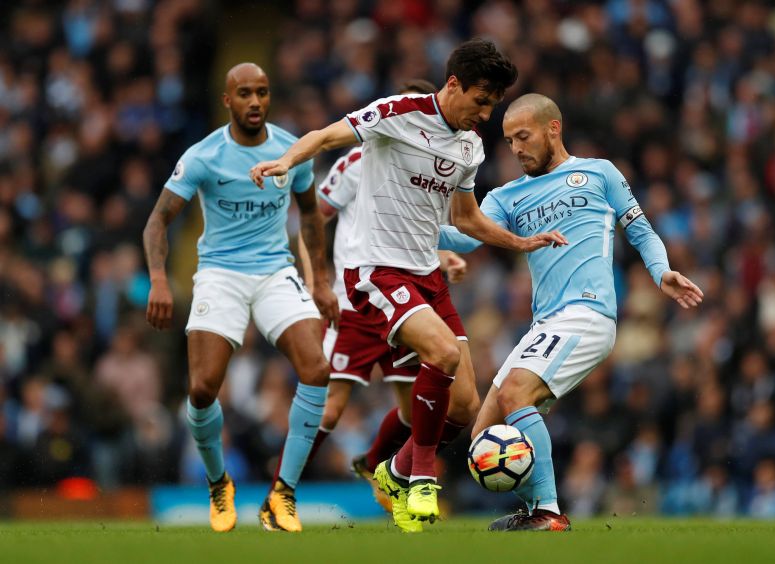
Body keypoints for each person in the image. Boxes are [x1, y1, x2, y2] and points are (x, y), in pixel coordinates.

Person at [250, 39, 566, 532]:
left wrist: (518, 242)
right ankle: (417, 476)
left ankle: (392, 469)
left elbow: (466, 217)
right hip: (376, 271)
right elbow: (325, 135)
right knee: (434, 357)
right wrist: (285, 162)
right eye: (481, 100)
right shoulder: (397, 113)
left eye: (492, 105)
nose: (484, 114)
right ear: (454, 83)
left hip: (426, 276)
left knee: (464, 404)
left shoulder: (469, 146)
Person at [438, 93, 703, 531]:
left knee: (515, 394)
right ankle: (533, 507)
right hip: (544, 323)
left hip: (588, 313)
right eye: (508, 141)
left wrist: (662, 272)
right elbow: (466, 237)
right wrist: (415, 230)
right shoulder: (507, 195)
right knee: (484, 438)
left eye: (523, 137)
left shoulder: (599, 172)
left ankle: (547, 510)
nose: (517, 148)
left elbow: (639, 229)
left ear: (552, 128)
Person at [143, 63, 338, 534]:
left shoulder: (291, 151)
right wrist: (159, 279)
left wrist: (322, 280)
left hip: (275, 272)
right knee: (202, 388)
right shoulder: (204, 156)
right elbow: (157, 222)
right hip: (219, 273)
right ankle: (218, 482)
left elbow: (310, 215)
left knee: (316, 368)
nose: (255, 102)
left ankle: (283, 494)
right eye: (245, 94)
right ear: (227, 100)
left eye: (263, 93)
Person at [299, 79, 470, 513]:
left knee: (417, 412)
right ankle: (282, 488)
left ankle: (376, 465)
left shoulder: (426, 161)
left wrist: (444, 255)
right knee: (332, 408)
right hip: (354, 300)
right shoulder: (359, 159)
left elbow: (413, 229)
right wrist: (316, 279)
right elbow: (314, 218)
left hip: (405, 292)